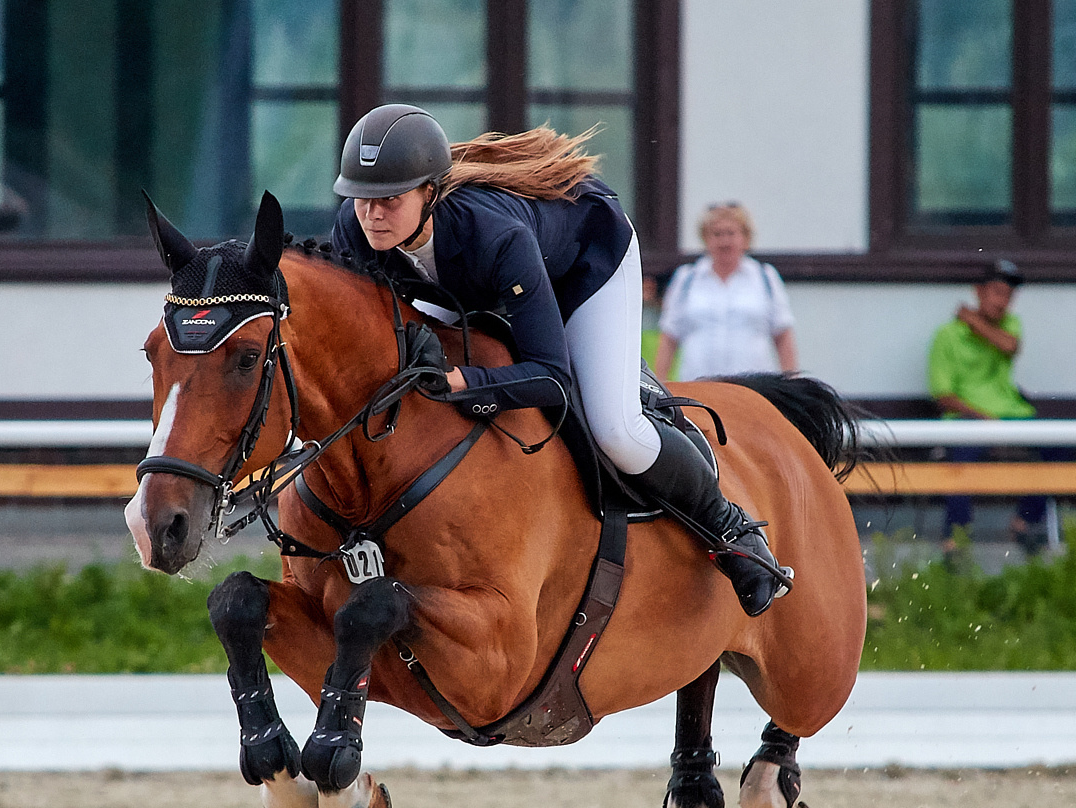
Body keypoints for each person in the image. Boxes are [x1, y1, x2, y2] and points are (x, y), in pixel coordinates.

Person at [330, 104, 787, 617]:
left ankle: (733, 531)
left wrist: (467, 383)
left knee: (616, 429)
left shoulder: (494, 236)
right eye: (361, 199)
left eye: (389, 199)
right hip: (471, 281)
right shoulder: (356, 232)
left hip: (586, 265)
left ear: (429, 193)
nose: (371, 214)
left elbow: (550, 378)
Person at [926, 259, 1049, 554]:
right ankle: (955, 538)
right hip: (967, 418)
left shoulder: (1009, 324)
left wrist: (973, 321)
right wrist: (983, 419)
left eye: (1008, 295)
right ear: (978, 292)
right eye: (996, 292)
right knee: (962, 453)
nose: (1002, 302)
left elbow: (1010, 346)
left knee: (1057, 448)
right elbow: (943, 396)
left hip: (1012, 415)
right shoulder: (947, 336)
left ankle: (1024, 523)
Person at [653, 202, 798, 382]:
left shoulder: (765, 277)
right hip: (698, 388)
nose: (724, 241)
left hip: (755, 391)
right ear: (705, 238)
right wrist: (660, 383)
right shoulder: (687, 279)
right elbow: (669, 337)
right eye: (717, 234)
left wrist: (791, 382)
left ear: (745, 238)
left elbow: (783, 335)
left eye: (731, 233)